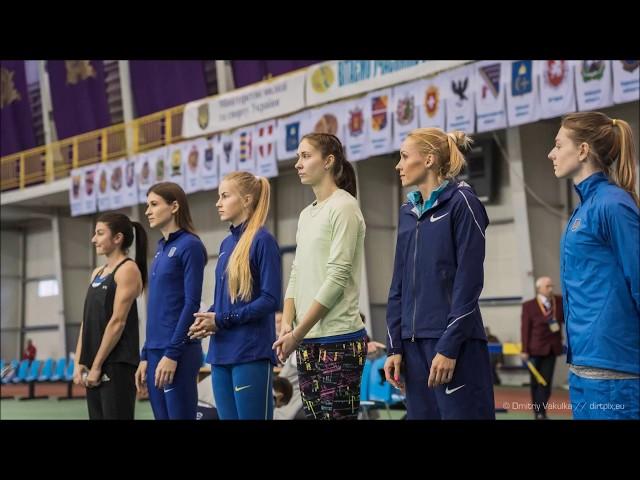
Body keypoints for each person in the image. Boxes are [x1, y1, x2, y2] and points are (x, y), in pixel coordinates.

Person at [384, 127, 495, 420]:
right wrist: (394, 346)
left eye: (405, 157)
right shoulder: (407, 211)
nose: (399, 165)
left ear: (430, 159)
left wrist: (449, 346)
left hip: (454, 344)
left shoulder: (463, 203)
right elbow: (398, 285)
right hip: (412, 346)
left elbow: (469, 283)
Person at [549, 111, 639, 419]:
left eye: (559, 145)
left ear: (583, 150)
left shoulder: (613, 205)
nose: (551, 154)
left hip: (615, 369)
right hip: (584, 363)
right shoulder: (585, 208)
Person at [273, 133, 367, 420]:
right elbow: (297, 273)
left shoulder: (344, 207)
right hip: (306, 340)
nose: (298, 164)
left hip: (338, 339)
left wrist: (297, 333)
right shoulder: (306, 215)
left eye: (305, 156)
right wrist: (287, 326)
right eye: (298, 157)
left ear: (328, 161)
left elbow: (337, 278)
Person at [189, 172, 281, 420]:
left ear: (247, 200)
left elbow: (271, 299)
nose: (218, 203)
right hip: (220, 354)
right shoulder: (225, 245)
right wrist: (209, 320)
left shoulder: (263, 241)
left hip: (250, 353)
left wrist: (221, 319)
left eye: (225, 196)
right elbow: (226, 302)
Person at [136, 182, 207, 420]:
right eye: (147, 205)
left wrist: (172, 354)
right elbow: (156, 308)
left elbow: (191, 304)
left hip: (178, 351)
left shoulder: (190, 246)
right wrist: (146, 355)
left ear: (174, 206)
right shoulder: (160, 248)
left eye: (154, 204)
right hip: (156, 351)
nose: (148, 211)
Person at [73, 212, 147, 419]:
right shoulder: (97, 272)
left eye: (99, 233)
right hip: (95, 362)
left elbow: (117, 322)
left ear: (117, 238)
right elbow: (86, 322)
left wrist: (97, 366)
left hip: (116, 365)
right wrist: (80, 361)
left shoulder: (128, 270)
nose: (93, 239)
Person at [520, 276, 564, 419]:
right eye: (547, 286)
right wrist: (524, 350)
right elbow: (525, 329)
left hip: (552, 349)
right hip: (534, 350)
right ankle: (538, 412)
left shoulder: (559, 301)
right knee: (535, 383)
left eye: (551, 286)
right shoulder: (529, 306)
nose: (551, 289)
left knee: (546, 382)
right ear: (539, 289)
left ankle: (541, 411)